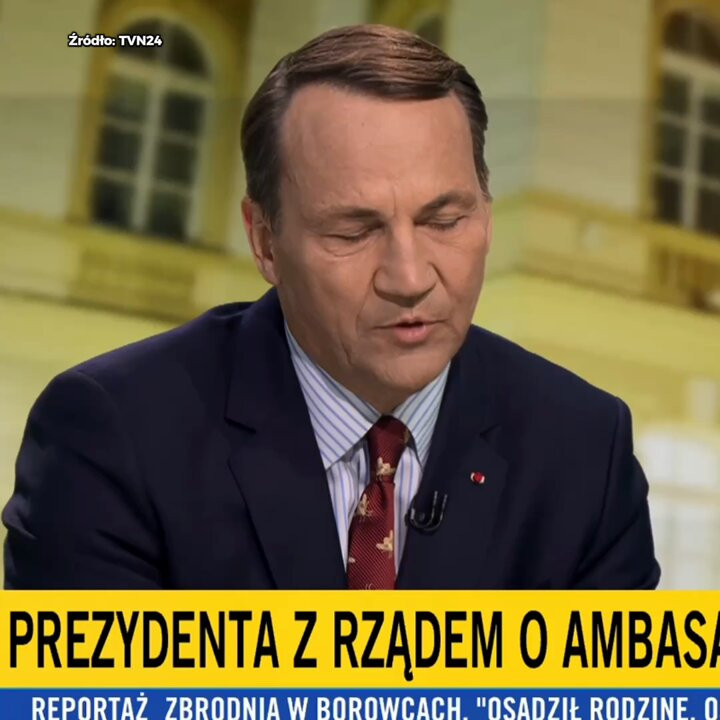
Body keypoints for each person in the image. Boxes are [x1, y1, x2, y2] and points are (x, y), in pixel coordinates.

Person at [2, 24, 660, 590]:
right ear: (265, 242)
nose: (409, 278)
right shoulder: (112, 436)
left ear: (487, 217)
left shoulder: (584, 449)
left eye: (444, 220)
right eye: (353, 232)